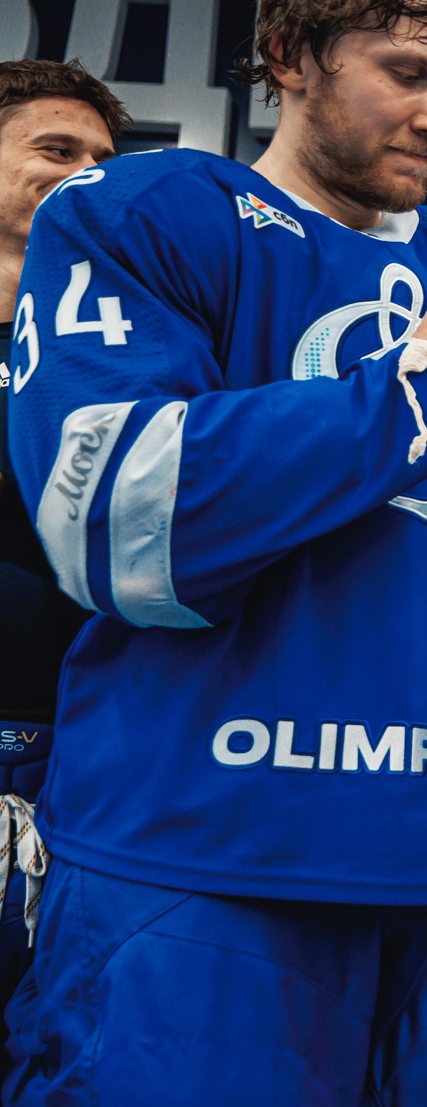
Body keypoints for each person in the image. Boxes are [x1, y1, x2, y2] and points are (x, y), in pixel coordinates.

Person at [3, 0, 427, 1105]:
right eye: (405, 74)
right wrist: (415, 373)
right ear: (290, 55)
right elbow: (116, 522)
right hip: (204, 868)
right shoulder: (136, 215)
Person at [0, 59, 127, 1070]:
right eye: (56, 149)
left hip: (89, 771)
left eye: (101, 158)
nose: (86, 172)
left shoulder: (129, 352)